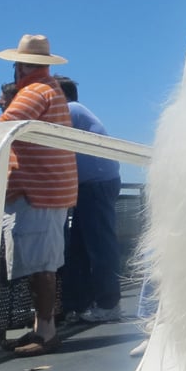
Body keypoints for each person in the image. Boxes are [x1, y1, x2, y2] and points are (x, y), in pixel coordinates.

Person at [0, 34, 77, 356]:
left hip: (38, 192)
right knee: (42, 264)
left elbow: (5, 126)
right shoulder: (50, 88)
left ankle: (46, 333)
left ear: (22, 65)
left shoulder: (35, 90)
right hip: (47, 190)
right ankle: (40, 328)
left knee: (41, 266)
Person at [55, 76, 123, 322]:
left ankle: (109, 304)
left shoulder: (70, 110)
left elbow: (50, 143)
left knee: (99, 246)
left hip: (96, 184)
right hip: (90, 185)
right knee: (80, 248)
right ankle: (81, 305)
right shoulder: (76, 112)